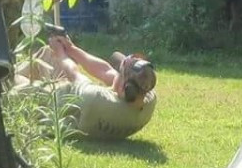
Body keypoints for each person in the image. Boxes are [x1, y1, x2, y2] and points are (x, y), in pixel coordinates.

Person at [20, 29, 158, 141]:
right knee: (47, 52)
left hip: (50, 100)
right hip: (71, 97)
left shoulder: (97, 99)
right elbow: (105, 71)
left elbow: (73, 73)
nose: (115, 72)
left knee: (14, 78)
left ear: (123, 88)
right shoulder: (147, 100)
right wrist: (71, 48)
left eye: (119, 72)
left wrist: (60, 52)